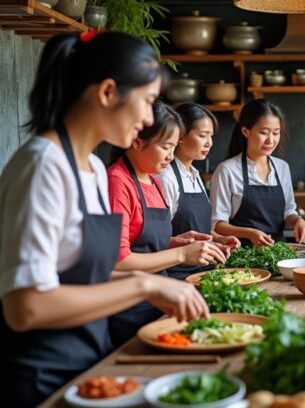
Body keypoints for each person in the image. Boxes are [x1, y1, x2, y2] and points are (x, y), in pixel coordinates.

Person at [0, 31, 208, 406]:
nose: (148, 118)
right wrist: (145, 286)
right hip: (41, 377)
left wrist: (160, 287)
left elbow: (85, 273)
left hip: (87, 366)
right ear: (108, 92)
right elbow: (26, 306)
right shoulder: (42, 166)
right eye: (147, 102)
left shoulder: (93, 168)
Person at [107, 101, 225, 346]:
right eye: (166, 147)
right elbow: (119, 260)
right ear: (137, 142)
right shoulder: (117, 183)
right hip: (130, 309)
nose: (171, 156)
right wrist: (181, 253)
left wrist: (179, 241)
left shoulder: (153, 180)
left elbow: (145, 242)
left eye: (173, 147)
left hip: (161, 299)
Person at [210, 99, 305, 247]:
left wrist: (298, 221)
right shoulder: (227, 170)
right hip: (240, 256)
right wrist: (250, 233)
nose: (271, 140)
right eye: (264, 133)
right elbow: (217, 224)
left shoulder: (282, 167)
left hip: (278, 254)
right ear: (245, 131)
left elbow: (288, 212)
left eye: (276, 133)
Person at [157, 103, 240, 279]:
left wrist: (218, 239)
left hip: (203, 272)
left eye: (211, 136)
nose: (209, 143)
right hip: (176, 275)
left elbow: (197, 228)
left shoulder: (195, 174)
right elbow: (159, 236)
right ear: (180, 136)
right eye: (203, 135)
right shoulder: (166, 177)